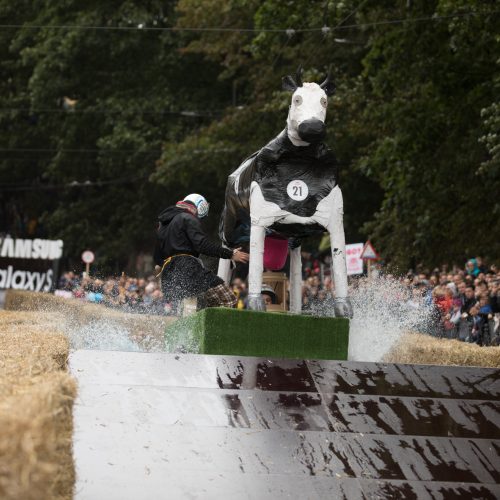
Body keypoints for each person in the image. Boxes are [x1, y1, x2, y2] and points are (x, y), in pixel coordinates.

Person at [154, 194, 249, 311]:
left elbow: (157, 258)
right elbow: (203, 245)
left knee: (190, 310)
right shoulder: (187, 218)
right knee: (229, 300)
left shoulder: (162, 226)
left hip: (168, 276)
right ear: (197, 205)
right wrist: (230, 254)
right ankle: (215, 329)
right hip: (188, 270)